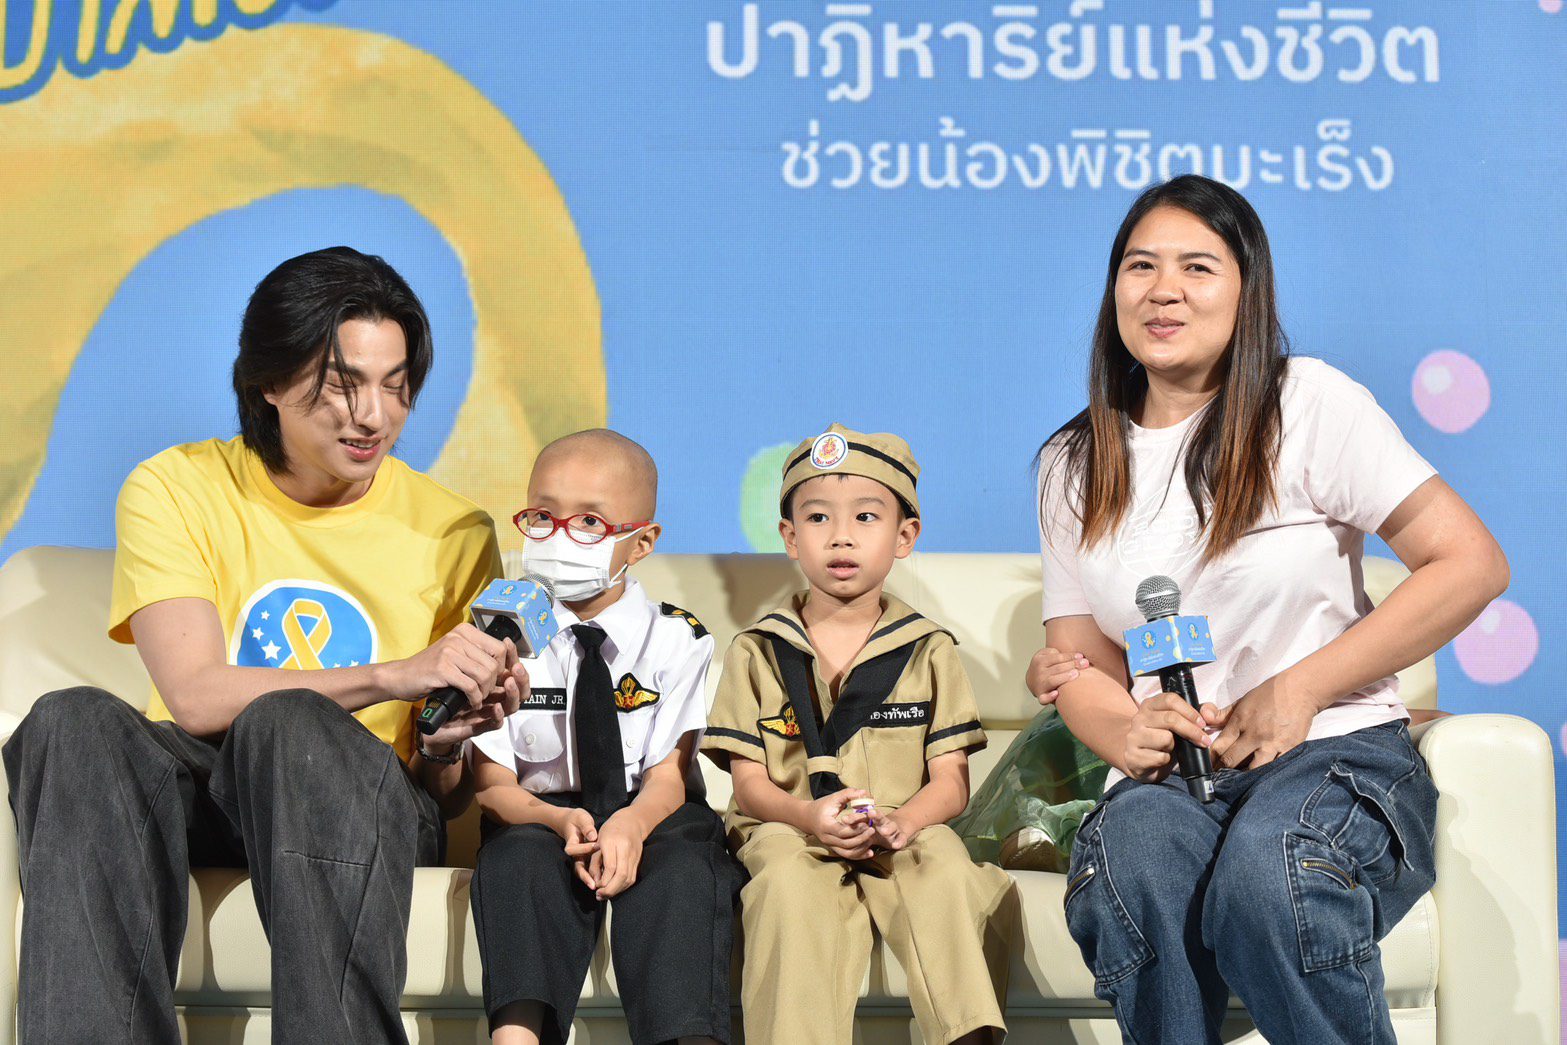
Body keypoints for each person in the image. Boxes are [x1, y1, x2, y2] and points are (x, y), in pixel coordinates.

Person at [2, 246, 526, 1044]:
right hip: (208, 786)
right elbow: (195, 696)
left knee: (293, 724)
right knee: (71, 721)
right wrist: (393, 674)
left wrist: (442, 740)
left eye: (395, 385)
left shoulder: (454, 530)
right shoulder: (175, 488)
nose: (373, 415)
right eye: (343, 384)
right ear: (269, 382)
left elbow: (442, 793)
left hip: (360, 800)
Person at [1029, 175, 1509, 1044]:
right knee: (1134, 856)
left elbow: (1469, 564)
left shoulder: (1307, 402)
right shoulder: (1074, 460)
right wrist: (1122, 728)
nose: (1163, 290)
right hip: (1171, 779)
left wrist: (1300, 687)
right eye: (1139, 266)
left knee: (1271, 873)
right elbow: (1077, 660)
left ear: (1246, 290)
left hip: (1330, 750)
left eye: (1196, 267)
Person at [703, 423, 1017, 1045]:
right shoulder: (756, 650)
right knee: (787, 884)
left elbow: (951, 783)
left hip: (902, 826)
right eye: (817, 518)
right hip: (789, 827)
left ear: (905, 536)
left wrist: (906, 822)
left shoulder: (929, 649)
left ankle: (968, 1035)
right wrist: (807, 816)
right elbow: (750, 785)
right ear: (790, 537)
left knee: (946, 869)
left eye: (866, 517)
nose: (840, 536)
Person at [468, 429, 740, 1045]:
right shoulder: (494, 636)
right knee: (516, 862)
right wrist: (556, 819)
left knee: (684, 871)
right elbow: (492, 787)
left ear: (641, 541)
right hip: (539, 813)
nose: (559, 538)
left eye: (589, 522)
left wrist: (630, 826)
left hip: (653, 809)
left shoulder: (678, 639)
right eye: (543, 517)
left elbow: (669, 777)